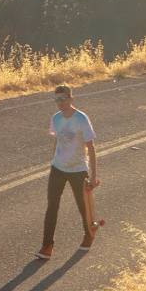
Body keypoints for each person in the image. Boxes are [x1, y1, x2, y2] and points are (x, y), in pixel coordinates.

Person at [35, 84, 99, 260]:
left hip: (78, 170)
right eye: (57, 100)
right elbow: (57, 140)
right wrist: (53, 160)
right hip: (58, 168)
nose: (60, 103)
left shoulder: (81, 119)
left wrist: (93, 176)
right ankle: (47, 246)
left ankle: (89, 233)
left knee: (82, 206)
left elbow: (91, 148)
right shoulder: (55, 118)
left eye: (63, 99)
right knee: (52, 207)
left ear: (71, 99)